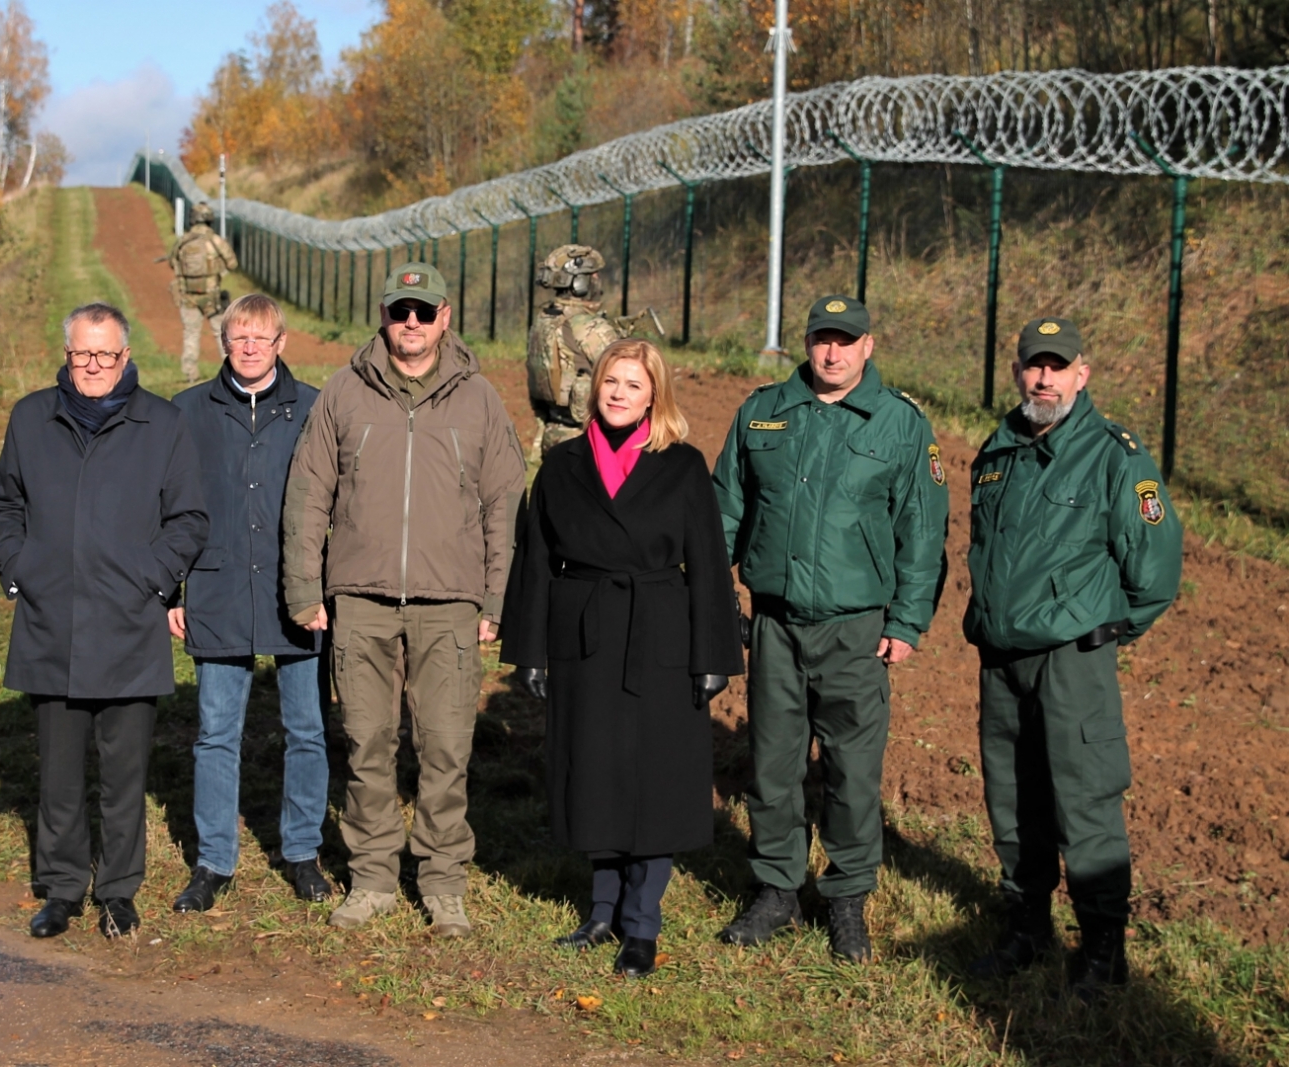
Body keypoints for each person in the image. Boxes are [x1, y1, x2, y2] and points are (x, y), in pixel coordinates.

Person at [282, 262, 526, 937]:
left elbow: (506, 502)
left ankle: (443, 883)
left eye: (423, 311)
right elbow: (308, 493)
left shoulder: (479, 399)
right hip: (359, 601)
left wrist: (496, 597)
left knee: (446, 750)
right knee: (367, 745)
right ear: (384, 316)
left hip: (449, 603)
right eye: (400, 311)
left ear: (444, 317)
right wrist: (304, 586)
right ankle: (372, 878)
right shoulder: (344, 391)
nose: (410, 323)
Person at [710, 294, 949, 962]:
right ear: (807, 341)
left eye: (846, 340)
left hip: (856, 628)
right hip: (777, 623)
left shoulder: (900, 423)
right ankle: (777, 889)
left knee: (852, 771)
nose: (833, 352)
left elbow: (923, 530)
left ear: (868, 345)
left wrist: (907, 620)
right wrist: (714, 599)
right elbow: (724, 509)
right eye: (822, 338)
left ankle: (846, 898)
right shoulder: (763, 411)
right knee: (773, 764)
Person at [500, 339, 744, 978]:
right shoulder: (562, 464)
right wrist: (529, 650)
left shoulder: (682, 465)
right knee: (596, 773)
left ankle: (641, 924)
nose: (618, 394)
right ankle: (601, 911)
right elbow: (535, 560)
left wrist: (713, 654)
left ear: (654, 395)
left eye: (634, 384)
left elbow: (709, 562)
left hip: (660, 637)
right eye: (611, 381)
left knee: (655, 780)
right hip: (582, 637)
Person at [963, 317, 1182, 1000]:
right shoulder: (998, 449)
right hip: (1002, 660)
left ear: (1082, 374)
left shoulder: (1115, 455)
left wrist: (1101, 631)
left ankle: (1102, 950)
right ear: (1017, 371)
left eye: (1058, 367)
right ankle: (1025, 928)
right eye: (1034, 365)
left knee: (1085, 803)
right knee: (1012, 800)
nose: (1044, 379)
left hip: (1071, 660)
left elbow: (1156, 569)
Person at [0, 302, 208, 940]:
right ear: (67, 354)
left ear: (125, 357)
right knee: (57, 774)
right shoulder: (32, 417)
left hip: (129, 624)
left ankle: (117, 890)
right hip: (51, 622)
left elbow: (189, 518)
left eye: (105, 354)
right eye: (82, 353)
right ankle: (61, 889)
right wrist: (21, 567)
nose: (93, 365)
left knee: (123, 775)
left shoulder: (162, 424)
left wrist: (152, 577)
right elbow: (3, 503)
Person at [168, 294, 330, 912]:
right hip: (217, 587)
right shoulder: (188, 412)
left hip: (299, 592)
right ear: (225, 343)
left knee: (308, 730)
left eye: (262, 337)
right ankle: (213, 861)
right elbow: (170, 507)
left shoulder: (315, 409)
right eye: (240, 337)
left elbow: (339, 505)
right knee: (215, 733)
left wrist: (329, 587)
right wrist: (172, 588)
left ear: (281, 343)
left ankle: (302, 852)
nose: (251, 347)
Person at [526, 245, 622, 457]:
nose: (597, 280)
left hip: (552, 433)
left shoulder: (543, 319)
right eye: (593, 275)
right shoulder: (590, 327)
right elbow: (624, 372)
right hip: (587, 439)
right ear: (579, 283)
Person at [165, 200, 239, 384]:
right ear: (209, 219)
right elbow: (232, 263)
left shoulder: (183, 241)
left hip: (188, 296)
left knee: (191, 333)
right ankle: (233, 372)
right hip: (213, 296)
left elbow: (172, 263)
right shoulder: (215, 241)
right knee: (222, 334)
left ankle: (190, 374)